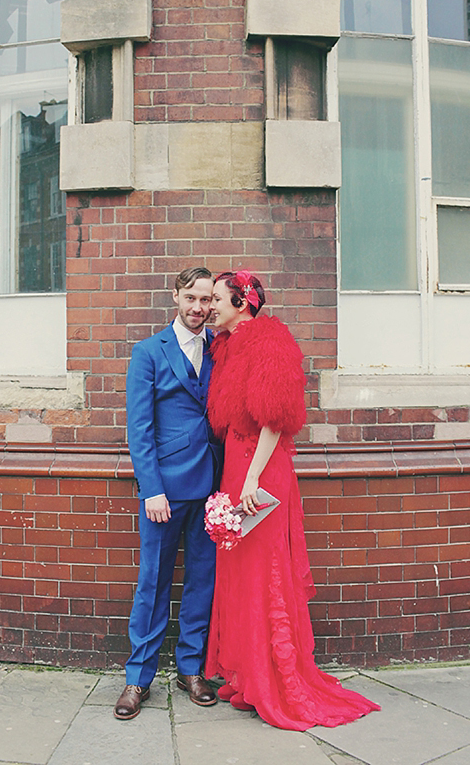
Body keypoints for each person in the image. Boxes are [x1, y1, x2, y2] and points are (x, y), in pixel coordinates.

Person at [205, 269, 380, 731]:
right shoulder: (226, 346)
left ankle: (275, 680)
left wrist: (252, 477)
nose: (210, 306)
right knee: (241, 574)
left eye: (218, 299)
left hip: (260, 470)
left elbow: (276, 419)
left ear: (242, 302)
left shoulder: (270, 341)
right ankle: (249, 674)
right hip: (236, 469)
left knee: (267, 574)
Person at [114, 266, 222, 720]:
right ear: (176, 295)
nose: (199, 308)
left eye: (206, 301)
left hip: (212, 485)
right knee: (153, 583)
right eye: (191, 298)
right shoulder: (148, 352)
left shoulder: (221, 349)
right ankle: (138, 677)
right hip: (165, 492)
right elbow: (138, 428)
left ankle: (191, 669)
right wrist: (151, 490)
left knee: (202, 581)